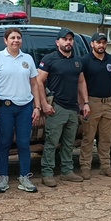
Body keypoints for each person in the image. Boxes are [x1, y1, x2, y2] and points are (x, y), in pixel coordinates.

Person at [0, 28, 42, 193]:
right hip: (5, 107)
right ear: (5, 41)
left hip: (25, 107)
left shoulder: (27, 59)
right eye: (12, 38)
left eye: (18, 37)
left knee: (24, 143)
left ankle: (24, 177)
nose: (16, 40)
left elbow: (34, 84)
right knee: (4, 143)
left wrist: (37, 107)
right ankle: (2, 177)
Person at [37, 28, 90, 187]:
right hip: (56, 107)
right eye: (65, 39)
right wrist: (44, 104)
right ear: (57, 42)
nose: (68, 42)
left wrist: (85, 103)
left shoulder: (77, 61)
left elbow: (81, 82)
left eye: (70, 39)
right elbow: (39, 81)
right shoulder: (49, 59)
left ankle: (67, 171)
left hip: (73, 108)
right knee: (52, 142)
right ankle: (47, 173)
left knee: (69, 143)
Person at [78, 32, 111, 179]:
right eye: (98, 42)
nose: (101, 45)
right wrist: (84, 103)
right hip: (92, 103)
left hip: (108, 102)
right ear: (92, 44)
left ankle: (105, 166)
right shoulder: (84, 60)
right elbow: (80, 83)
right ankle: (85, 167)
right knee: (88, 138)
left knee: (106, 138)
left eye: (104, 43)